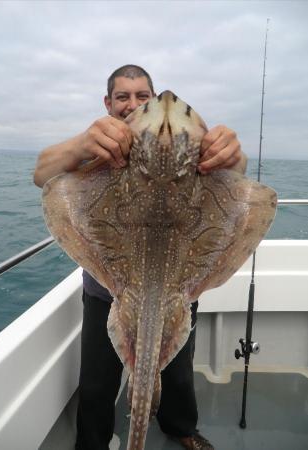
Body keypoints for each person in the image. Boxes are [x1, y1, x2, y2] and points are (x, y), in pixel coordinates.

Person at [34, 65, 247, 450]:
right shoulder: (97, 145)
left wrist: (232, 154)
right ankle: (92, 444)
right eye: (122, 97)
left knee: (179, 374)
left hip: (178, 288)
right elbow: (42, 173)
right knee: (97, 382)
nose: (133, 104)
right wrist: (82, 146)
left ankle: (181, 427)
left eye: (141, 97)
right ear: (108, 104)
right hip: (108, 290)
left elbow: (240, 183)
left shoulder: (198, 154)